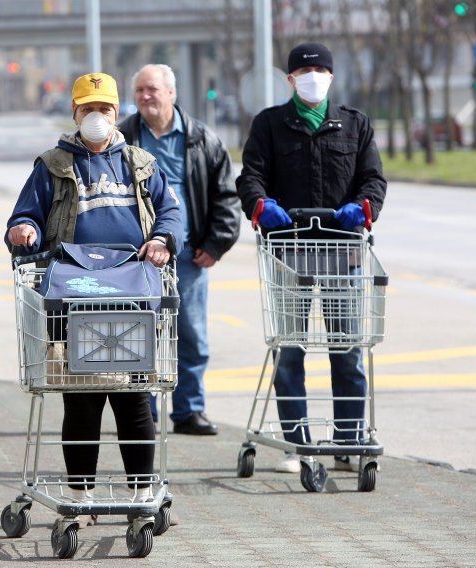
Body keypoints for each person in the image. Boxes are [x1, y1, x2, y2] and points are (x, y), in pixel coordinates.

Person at [5, 72, 182, 528]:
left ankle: (141, 494)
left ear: (116, 112)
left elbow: (170, 210)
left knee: (133, 400)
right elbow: (27, 213)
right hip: (73, 297)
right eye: (88, 110)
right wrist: (23, 229)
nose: (97, 118)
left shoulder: (140, 162)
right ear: (74, 114)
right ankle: (80, 497)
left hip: (131, 296)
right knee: (81, 402)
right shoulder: (53, 164)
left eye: (105, 109)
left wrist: (163, 238)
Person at [235, 42, 387, 473]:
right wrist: (262, 207)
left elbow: (373, 178)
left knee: (347, 350)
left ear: (332, 77)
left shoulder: (355, 125)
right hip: (289, 254)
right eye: (305, 71)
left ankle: (348, 441)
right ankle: (295, 442)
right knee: (290, 349)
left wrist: (364, 207)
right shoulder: (269, 124)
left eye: (321, 69)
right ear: (290, 80)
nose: (313, 76)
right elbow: (251, 177)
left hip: (344, 253)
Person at [119, 63, 240, 436]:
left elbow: (226, 195)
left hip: (188, 255)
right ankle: (145, 413)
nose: (145, 96)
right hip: (136, 256)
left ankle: (189, 410)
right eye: (139, 90)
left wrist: (216, 243)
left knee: (190, 334)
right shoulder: (122, 138)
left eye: (152, 89)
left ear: (172, 93)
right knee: (140, 332)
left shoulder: (202, 138)